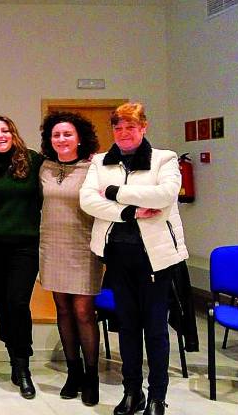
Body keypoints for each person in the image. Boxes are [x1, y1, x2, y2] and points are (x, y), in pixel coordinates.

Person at [80, 103, 188, 415]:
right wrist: (130, 211)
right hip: (117, 257)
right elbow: (88, 201)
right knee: (126, 327)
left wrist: (113, 191)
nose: (124, 133)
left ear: (143, 127)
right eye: (118, 128)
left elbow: (165, 195)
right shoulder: (100, 161)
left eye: (130, 127)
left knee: (155, 329)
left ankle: (157, 395)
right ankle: (132, 392)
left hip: (155, 259)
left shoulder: (164, 159)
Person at [0, 114, 44, 399]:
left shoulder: (33, 161)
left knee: (17, 302)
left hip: (24, 246)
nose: (0, 135)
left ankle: (23, 364)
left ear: (13, 133)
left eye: (4, 130)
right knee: (2, 303)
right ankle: (13, 357)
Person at [38, 112, 103, 405]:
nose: (61, 140)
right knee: (62, 311)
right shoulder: (45, 167)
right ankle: (73, 372)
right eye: (56, 135)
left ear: (79, 137)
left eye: (67, 134)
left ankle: (92, 377)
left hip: (83, 247)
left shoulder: (95, 167)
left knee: (83, 313)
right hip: (52, 246)